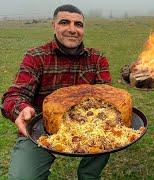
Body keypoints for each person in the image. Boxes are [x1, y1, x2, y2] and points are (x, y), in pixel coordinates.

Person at [1, 4, 111, 179]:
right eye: (65, 22)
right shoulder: (36, 57)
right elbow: (15, 94)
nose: (72, 29)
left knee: (107, 133)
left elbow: (106, 97)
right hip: (42, 128)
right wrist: (20, 109)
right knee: (23, 177)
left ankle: (89, 175)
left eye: (78, 24)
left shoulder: (97, 59)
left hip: (89, 126)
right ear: (54, 25)